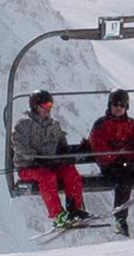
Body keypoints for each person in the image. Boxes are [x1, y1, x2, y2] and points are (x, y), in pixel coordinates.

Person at [11, 92, 84, 226]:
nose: (48, 108)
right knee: (46, 176)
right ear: (35, 106)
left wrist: (64, 156)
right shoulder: (24, 125)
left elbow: (62, 144)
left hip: (50, 164)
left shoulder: (53, 125)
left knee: (70, 172)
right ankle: (58, 214)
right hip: (28, 167)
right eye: (45, 105)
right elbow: (20, 147)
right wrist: (38, 159)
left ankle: (75, 208)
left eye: (50, 105)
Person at [84, 89, 134, 237]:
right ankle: (120, 219)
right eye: (115, 105)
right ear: (110, 105)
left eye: (122, 105)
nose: (118, 108)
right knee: (124, 178)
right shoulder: (102, 124)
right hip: (109, 166)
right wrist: (119, 157)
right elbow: (100, 148)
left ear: (126, 107)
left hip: (125, 163)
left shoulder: (130, 124)